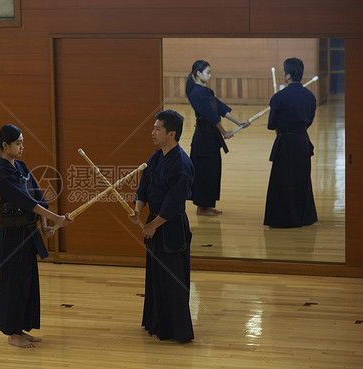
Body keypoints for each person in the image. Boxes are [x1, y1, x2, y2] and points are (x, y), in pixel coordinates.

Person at [0, 124, 72, 348]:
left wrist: (45, 224)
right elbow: (24, 201)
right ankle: (11, 333)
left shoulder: (22, 166)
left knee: (27, 282)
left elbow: (37, 196)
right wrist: (55, 218)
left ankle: (21, 329)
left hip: (27, 232)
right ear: (5, 146)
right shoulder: (0, 173)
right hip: (12, 236)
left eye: (23, 141)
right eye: (18, 143)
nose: (22, 146)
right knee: (12, 283)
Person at [129, 109, 195, 342]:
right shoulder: (156, 157)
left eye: (158, 129)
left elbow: (174, 203)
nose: (153, 133)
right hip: (154, 225)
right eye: (154, 128)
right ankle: (157, 323)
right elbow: (144, 187)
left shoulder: (182, 164)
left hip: (171, 227)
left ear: (172, 133)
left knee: (172, 279)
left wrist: (153, 225)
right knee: (156, 277)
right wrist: (137, 208)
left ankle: (175, 330)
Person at [186, 60, 249, 216]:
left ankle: (207, 205)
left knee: (212, 171)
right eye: (208, 72)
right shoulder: (197, 93)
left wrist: (238, 122)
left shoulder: (205, 91)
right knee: (204, 173)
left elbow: (220, 108)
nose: (210, 75)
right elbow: (211, 116)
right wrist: (224, 132)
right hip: (203, 140)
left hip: (210, 139)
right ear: (198, 73)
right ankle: (201, 208)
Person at [264, 58, 318, 228]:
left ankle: (284, 219)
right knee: (301, 178)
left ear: (287, 75)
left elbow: (271, 124)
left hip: (285, 142)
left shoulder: (279, 97)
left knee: (283, 180)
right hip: (302, 140)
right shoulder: (310, 96)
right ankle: (304, 218)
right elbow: (309, 120)